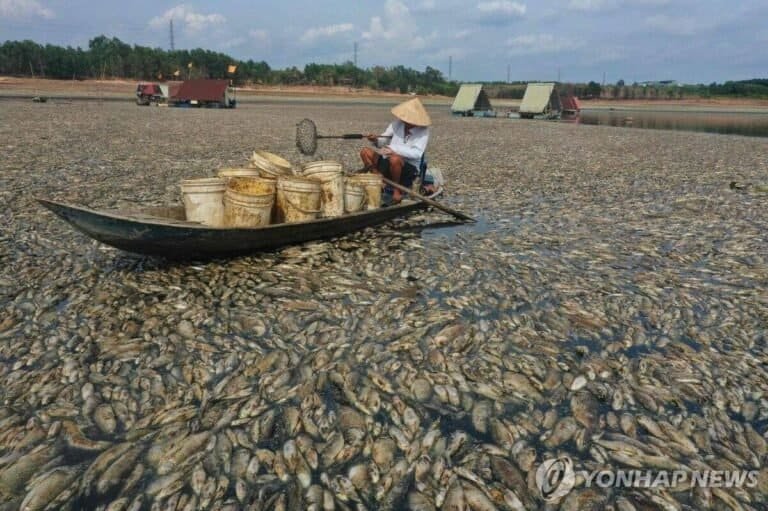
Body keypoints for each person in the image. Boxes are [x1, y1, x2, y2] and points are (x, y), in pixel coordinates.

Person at [360, 97, 431, 204]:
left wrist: (394, 149)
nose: (405, 121)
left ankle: (397, 190)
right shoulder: (397, 124)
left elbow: (417, 154)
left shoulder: (423, 131)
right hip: (388, 162)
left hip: (408, 169)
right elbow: (383, 141)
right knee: (365, 152)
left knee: (395, 159)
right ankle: (378, 179)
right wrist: (375, 140)